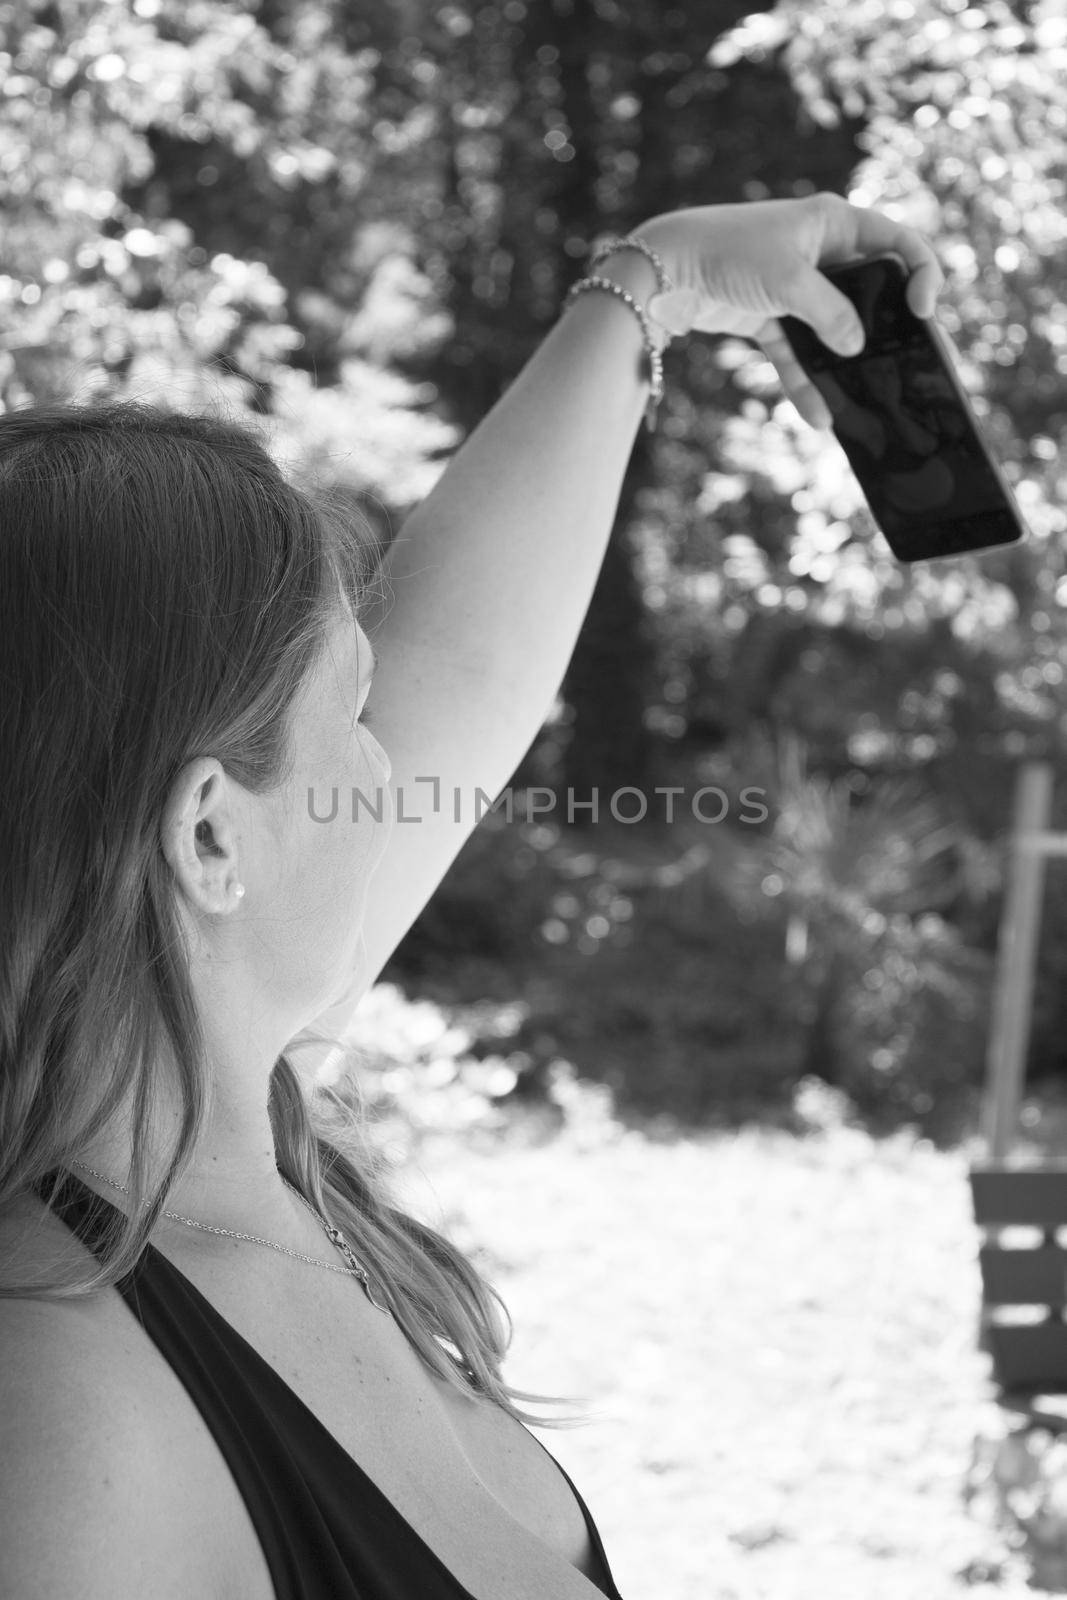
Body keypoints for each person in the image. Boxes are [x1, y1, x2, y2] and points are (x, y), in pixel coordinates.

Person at [0, 192, 943, 1600]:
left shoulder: (202, 1126)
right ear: (209, 842)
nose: (408, 774)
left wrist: (659, 282)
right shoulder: (69, 1432)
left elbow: (474, 659)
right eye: (358, 715)